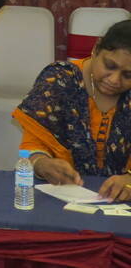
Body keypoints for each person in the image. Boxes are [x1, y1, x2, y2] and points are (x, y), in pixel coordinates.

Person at [13, 19, 131, 201]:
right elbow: (33, 147)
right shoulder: (59, 81)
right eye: (109, 65)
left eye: (128, 75)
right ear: (96, 48)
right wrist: (43, 164)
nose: (114, 80)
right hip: (60, 196)